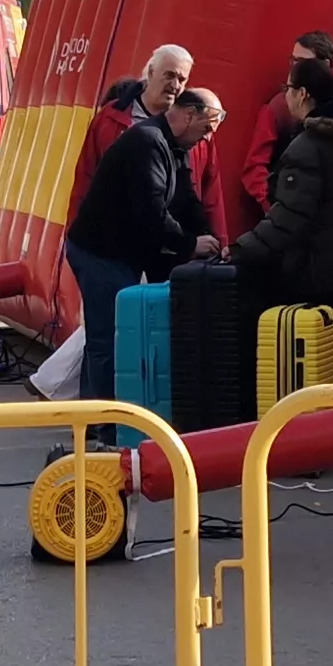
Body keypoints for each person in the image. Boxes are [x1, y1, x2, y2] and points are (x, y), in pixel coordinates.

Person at [62, 80, 221, 418]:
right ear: (189, 115)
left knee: (113, 335)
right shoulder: (147, 142)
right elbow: (151, 212)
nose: (208, 137)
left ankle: (103, 418)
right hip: (99, 250)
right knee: (109, 338)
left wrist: (211, 238)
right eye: (207, 128)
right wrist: (190, 244)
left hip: (122, 250)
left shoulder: (173, 145)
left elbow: (187, 200)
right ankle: (103, 423)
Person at [233, 57, 333, 382]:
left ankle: (327, 424)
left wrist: (241, 248)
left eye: (288, 88)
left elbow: (290, 216)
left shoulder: (308, 145)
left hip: (326, 265)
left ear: (302, 94)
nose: (285, 95)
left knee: (321, 353)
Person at [221, 31, 333, 249]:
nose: (294, 67)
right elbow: (254, 166)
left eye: (302, 61)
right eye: (293, 60)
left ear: (324, 64)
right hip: (290, 226)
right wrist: (275, 206)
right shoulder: (279, 108)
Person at [65, 43, 191, 223]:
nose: (175, 85)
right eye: (169, 75)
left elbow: (206, 193)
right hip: (105, 232)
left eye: (182, 79)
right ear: (151, 73)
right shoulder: (110, 116)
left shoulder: (189, 128)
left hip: (162, 239)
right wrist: (75, 229)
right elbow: (86, 175)